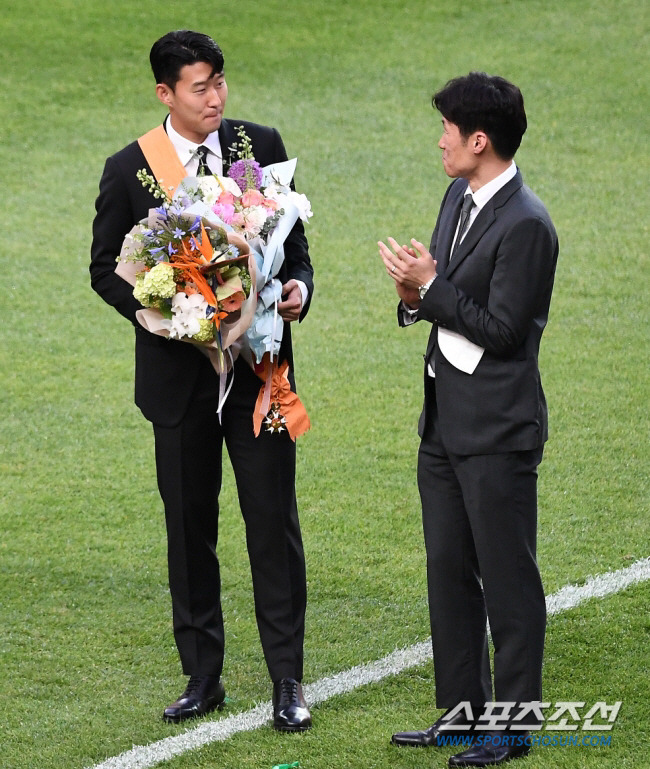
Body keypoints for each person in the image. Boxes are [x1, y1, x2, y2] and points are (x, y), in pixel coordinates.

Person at [90, 30, 314, 731]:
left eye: (219, 81)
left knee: (272, 525)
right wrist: (168, 310)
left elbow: (295, 247)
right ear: (165, 93)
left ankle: (287, 680)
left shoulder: (259, 144)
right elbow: (105, 266)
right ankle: (203, 676)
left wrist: (298, 290)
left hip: (259, 372)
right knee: (189, 529)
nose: (215, 96)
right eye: (199, 86)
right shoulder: (130, 168)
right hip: (178, 383)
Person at [378, 72, 558, 767]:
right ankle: (461, 715)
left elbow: (506, 329)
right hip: (444, 421)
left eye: (448, 129)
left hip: (498, 431)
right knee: (449, 569)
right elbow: (441, 289)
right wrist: (414, 293)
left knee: (508, 580)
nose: (441, 139)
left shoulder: (528, 224)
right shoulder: (458, 193)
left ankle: (511, 726)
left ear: (479, 139)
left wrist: (430, 289)